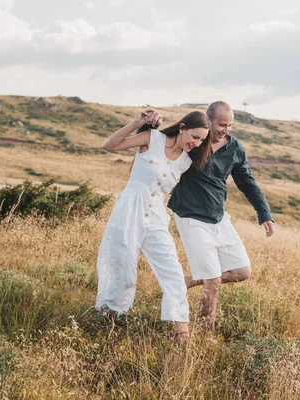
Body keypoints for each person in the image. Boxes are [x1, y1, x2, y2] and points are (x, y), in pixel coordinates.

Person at [140, 101, 274, 333]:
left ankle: (190, 280)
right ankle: (206, 333)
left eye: (230, 125)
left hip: (218, 217)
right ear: (208, 121)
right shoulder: (193, 141)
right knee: (213, 280)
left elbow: (247, 181)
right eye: (222, 124)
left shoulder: (235, 148)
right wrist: (145, 126)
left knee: (242, 271)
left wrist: (264, 213)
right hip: (191, 216)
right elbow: (155, 144)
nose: (226, 130)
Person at [95, 108, 211, 340]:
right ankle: (110, 321)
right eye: (195, 137)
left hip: (156, 215)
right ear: (182, 128)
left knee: (173, 270)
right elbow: (109, 146)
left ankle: (182, 334)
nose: (197, 143)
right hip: (130, 209)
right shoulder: (153, 139)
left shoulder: (187, 162)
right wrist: (135, 123)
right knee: (123, 268)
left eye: (202, 140)